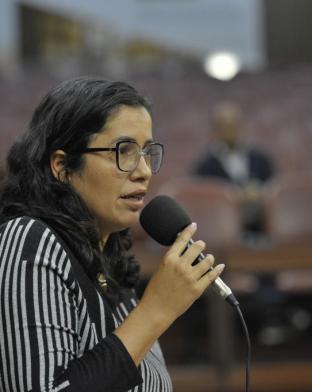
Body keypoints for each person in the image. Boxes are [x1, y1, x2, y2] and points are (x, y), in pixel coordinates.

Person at [0, 77, 225, 392]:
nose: (144, 170)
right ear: (62, 166)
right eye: (124, 150)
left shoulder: (109, 257)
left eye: (147, 152)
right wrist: (155, 310)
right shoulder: (29, 239)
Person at [193, 101, 276, 240]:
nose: (230, 130)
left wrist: (260, 193)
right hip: (221, 229)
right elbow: (203, 201)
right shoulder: (204, 165)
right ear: (215, 129)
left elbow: (274, 186)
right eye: (224, 126)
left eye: (233, 125)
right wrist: (233, 197)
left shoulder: (261, 159)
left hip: (259, 227)